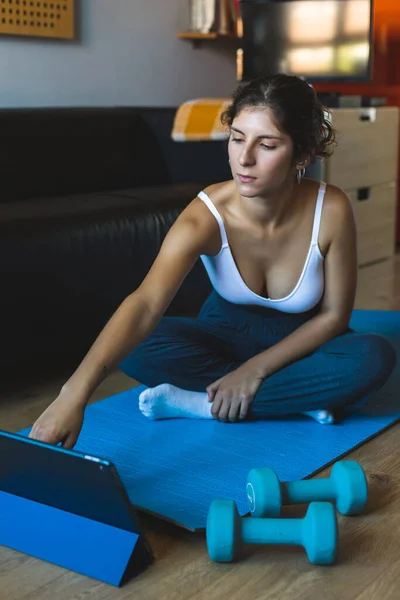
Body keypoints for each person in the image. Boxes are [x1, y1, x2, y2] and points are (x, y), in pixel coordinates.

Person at [29, 74, 396, 449]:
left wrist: (255, 371)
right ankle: (295, 397)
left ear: (302, 155)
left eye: (266, 145)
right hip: (224, 334)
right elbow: (144, 304)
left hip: (301, 343)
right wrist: (73, 394)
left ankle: (201, 404)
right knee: (135, 346)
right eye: (237, 138)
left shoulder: (330, 208)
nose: (244, 158)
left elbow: (334, 317)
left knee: (372, 357)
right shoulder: (206, 215)